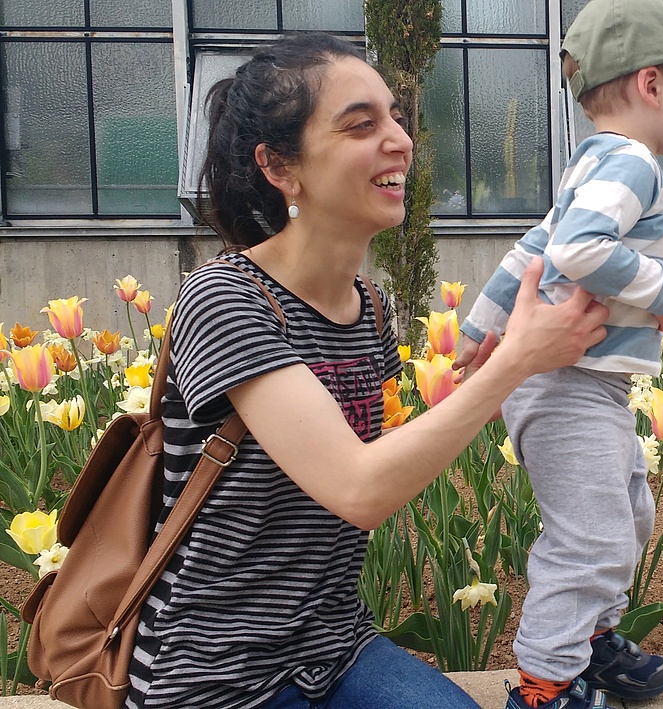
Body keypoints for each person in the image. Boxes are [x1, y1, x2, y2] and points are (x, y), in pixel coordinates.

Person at [124, 33, 609, 709]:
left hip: (334, 646)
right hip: (212, 674)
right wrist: (517, 362)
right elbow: (358, 489)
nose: (400, 141)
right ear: (279, 166)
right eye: (361, 125)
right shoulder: (224, 298)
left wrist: (504, 368)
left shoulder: (368, 307)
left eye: (396, 118)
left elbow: (369, 465)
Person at [455, 1, 663, 708]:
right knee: (590, 537)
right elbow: (577, 248)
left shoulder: (592, 164)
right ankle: (546, 683)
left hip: (582, 383)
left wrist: (481, 327)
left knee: (628, 515)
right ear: (651, 84)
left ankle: (588, 639)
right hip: (568, 382)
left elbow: (536, 247)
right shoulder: (630, 162)